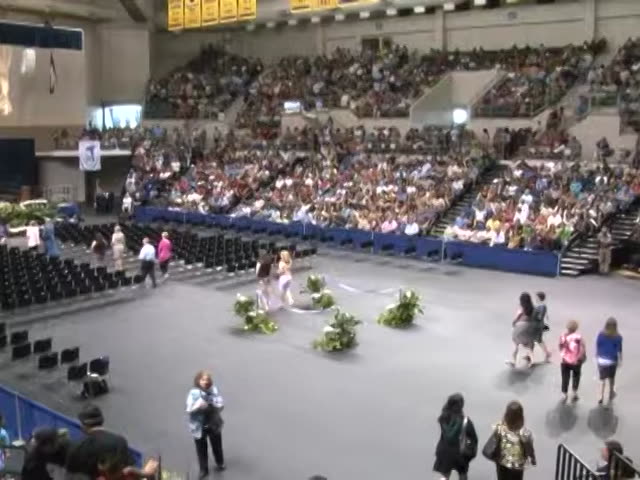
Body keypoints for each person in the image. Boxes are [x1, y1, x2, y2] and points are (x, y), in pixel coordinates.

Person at [66, 404, 158, 479]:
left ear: (83, 425)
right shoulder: (119, 441)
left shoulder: (78, 447)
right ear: (102, 420)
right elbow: (129, 471)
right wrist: (145, 473)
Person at [186, 371, 226, 478]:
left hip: (213, 422)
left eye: (207, 380)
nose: (205, 382)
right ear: (198, 380)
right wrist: (197, 406)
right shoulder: (193, 393)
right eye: (203, 380)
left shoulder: (213, 390)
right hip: (199, 425)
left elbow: (220, 404)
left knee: (217, 445)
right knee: (201, 448)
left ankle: (220, 462)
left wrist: (217, 404)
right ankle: (203, 469)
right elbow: (189, 410)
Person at [433, 393, 478, 480]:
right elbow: (474, 438)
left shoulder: (443, 418)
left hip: (445, 451)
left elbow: (446, 435)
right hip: (460, 453)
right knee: (462, 474)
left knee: (445, 475)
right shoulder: (465, 421)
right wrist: (471, 454)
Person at [490, 401, 536, 480]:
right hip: (517, 465)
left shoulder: (500, 429)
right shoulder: (524, 433)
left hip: (501, 463)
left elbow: (494, 445)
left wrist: (495, 456)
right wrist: (533, 458)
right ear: (521, 417)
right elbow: (529, 448)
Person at [596, 317, 622, 405]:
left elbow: (598, 345)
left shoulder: (601, 334)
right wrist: (620, 360)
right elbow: (619, 350)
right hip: (611, 360)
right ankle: (611, 392)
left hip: (601, 359)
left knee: (602, 379)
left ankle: (601, 396)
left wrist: (598, 355)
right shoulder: (618, 337)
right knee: (611, 378)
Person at [559, 320, 586, 402]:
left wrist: (563, 355)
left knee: (565, 377)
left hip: (565, 361)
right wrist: (581, 357)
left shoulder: (562, 336)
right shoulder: (579, 337)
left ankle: (564, 394)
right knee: (576, 376)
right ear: (576, 328)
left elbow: (560, 347)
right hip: (576, 361)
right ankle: (574, 392)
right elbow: (582, 349)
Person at [509, 293, 536, 368]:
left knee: (516, 344)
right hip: (529, 328)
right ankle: (531, 359)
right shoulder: (533, 309)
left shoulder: (521, 309)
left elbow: (515, 320)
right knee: (530, 344)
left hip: (520, 328)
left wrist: (514, 324)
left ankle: (513, 361)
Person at [532, 292, 551, 362]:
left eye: (536, 297)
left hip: (537, 326)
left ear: (539, 298)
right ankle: (546, 353)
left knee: (537, 340)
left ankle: (547, 353)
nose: (535, 298)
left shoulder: (541, 307)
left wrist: (533, 315)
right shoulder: (541, 306)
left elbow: (539, 317)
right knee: (536, 340)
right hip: (537, 325)